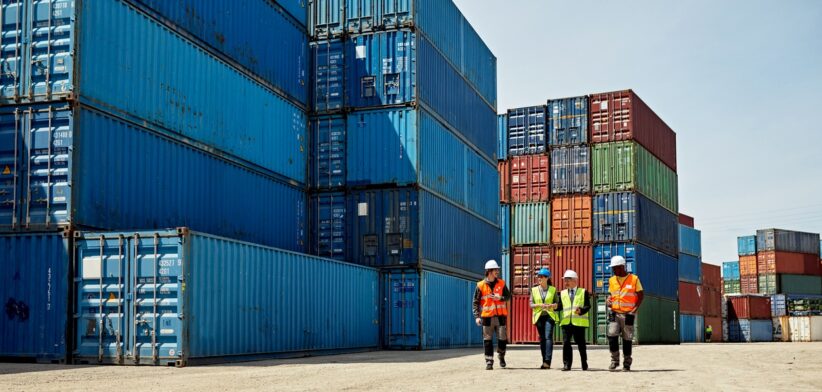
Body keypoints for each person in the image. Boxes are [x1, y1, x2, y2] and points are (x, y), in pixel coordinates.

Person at [606, 255, 645, 372]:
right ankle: (614, 361)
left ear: (622, 267)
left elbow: (641, 295)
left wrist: (634, 310)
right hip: (614, 313)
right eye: (613, 268)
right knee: (612, 336)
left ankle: (627, 363)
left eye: (615, 268)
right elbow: (610, 294)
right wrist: (608, 300)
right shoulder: (612, 280)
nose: (613, 270)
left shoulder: (634, 279)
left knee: (627, 339)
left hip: (628, 314)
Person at [472, 259, 511, 370]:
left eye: (497, 270)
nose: (497, 272)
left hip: (500, 317)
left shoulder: (502, 283)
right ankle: (489, 362)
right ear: (489, 271)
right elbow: (475, 302)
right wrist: (477, 316)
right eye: (495, 270)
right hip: (487, 317)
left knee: (502, 339)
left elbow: (508, 296)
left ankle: (501, 355)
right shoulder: (480, 285)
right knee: (487, 340)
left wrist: (501, 298)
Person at [555, 269, 590, 371]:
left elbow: (588, 306)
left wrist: (581, 310)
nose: (565, 282)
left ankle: (584, 363)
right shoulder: (562, 293)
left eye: (567, 280)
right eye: (565, 280)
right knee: (566, 343)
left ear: (575, 280)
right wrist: (554, 306)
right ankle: (567, 364)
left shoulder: (583, 292)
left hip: (579, 322)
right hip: (566, 322)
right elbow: (560, 306)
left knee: (581, 344)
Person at [530, 267, 559, 369]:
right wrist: (539, 305)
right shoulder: (534, 290)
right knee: (542, 339)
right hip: (539, 317)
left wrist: (551, 305)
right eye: (539, 276)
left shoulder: (553, 290)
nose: (539, 278)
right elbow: (531, 304)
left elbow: (557, 304)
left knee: (548, 337)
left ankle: (547, 361)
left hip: (549, 316)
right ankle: (544, 361)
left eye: (542, 277)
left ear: (547, 278)